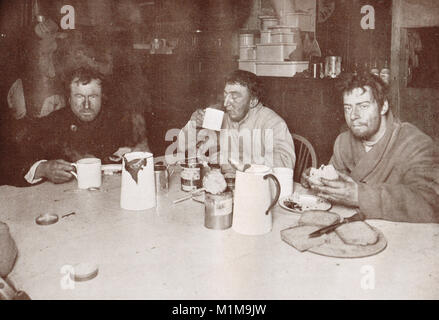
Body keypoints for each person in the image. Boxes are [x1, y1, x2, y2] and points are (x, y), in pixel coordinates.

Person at [302, 72, 439, 223]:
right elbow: (335, 187)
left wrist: (359, 196)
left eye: (363, 106)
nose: (354, 115)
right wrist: (316, 180)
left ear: (383, 106)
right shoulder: (343, 142)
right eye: (348, 108)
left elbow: (431, 202)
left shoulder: (415, 143)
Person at [1, 67, 150, 187]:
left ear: (102, 97)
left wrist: (140, 154)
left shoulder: (121, 120)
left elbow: (146, 154)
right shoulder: (50, 124)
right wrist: (43, 169)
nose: (86, 105)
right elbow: (10, 164)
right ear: (69, 98)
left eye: (92, 96)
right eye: (79, 96)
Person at [177, 70, 295, 170]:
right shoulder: (221, 116)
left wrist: (236, 162)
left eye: (234, 97)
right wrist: (193, 125)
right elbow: (182, 147)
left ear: (253, 101)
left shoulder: (272, 122)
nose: (226, 103)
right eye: (226, 95)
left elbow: (285, 162)